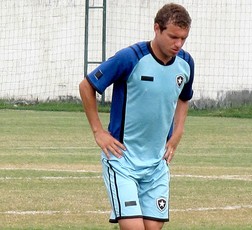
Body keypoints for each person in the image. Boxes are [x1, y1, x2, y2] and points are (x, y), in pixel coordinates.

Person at [79, 3, 194, 230]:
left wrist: (178, 131)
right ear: (157, 29)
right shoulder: (130, 58)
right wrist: (98, 131)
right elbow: (86, 86)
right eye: (173, 37)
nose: (178, 44)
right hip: (123, 161)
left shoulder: (186, 63)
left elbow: (184, 97)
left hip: (157, 164)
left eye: (183, 38)